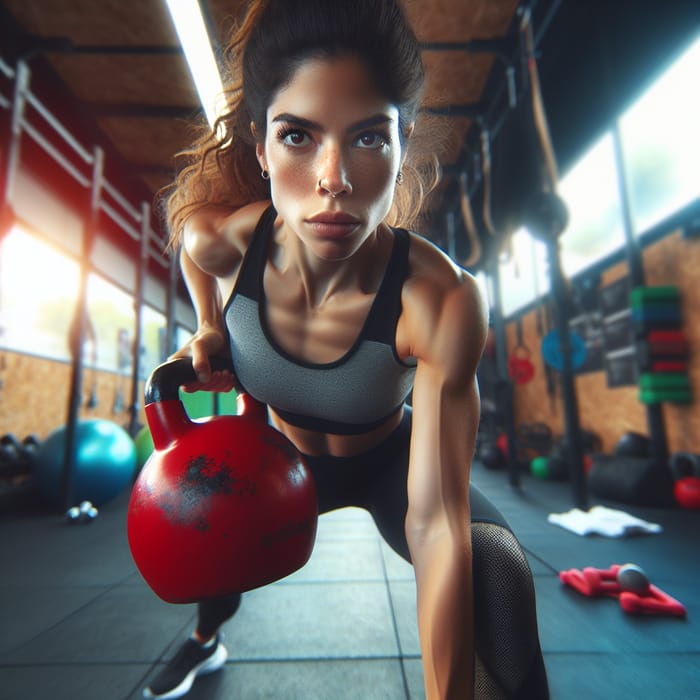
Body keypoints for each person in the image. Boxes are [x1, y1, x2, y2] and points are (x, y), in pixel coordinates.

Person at [143, 1, 549, 698]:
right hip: (276, 457)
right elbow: (190, 249)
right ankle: (204, 641)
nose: (334, 177)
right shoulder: (228, 241)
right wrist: (208, 327)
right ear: (260, 145)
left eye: (367, 138)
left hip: (387, 460)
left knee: (497, 571)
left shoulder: (441, 300)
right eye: (298, 136)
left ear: (403, 138)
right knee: (209, 525)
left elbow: (437, 522)